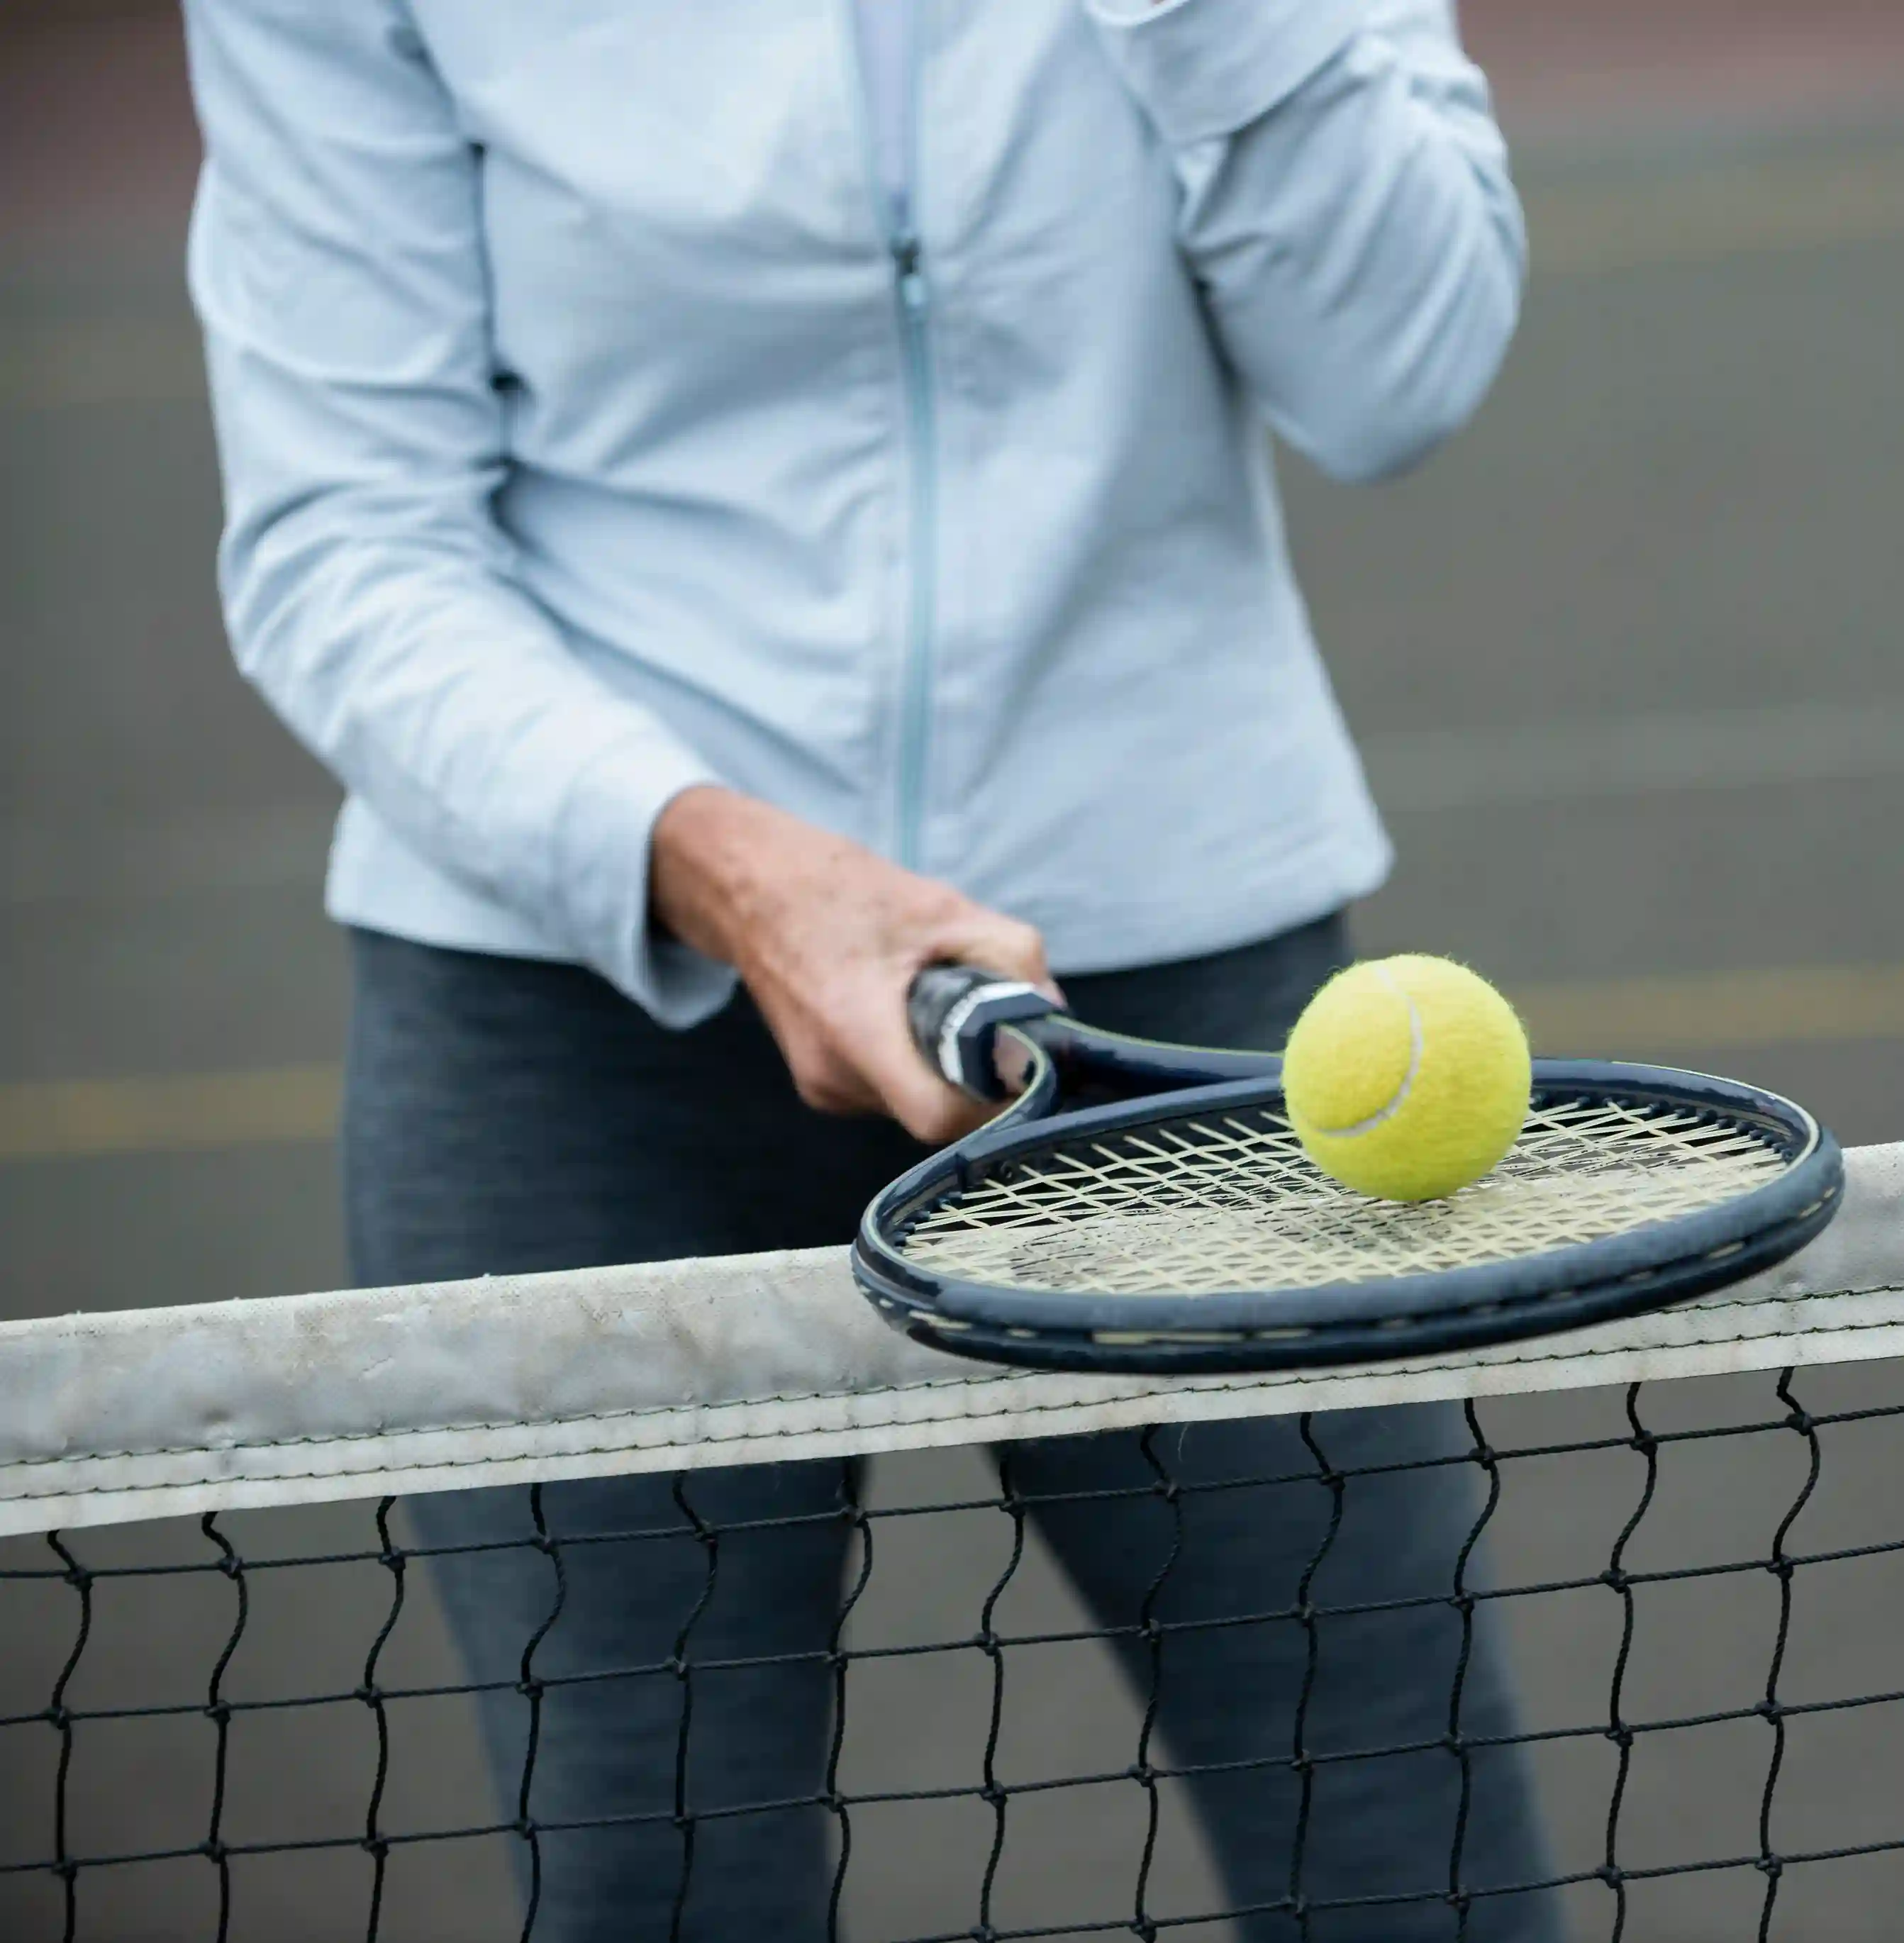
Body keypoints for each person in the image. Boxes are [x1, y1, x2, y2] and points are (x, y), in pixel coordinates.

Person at [179, 1, 1554, 1937]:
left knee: (1403, 1856)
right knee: (661, 1887)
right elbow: (344, 538)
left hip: (1168, 1023)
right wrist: (722, 866)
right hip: (572, 1032)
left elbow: (1399, 371)